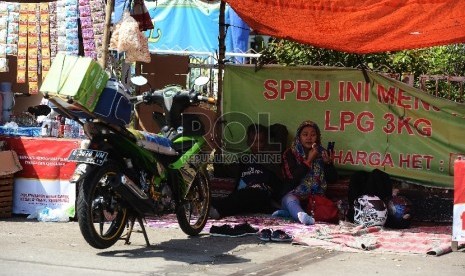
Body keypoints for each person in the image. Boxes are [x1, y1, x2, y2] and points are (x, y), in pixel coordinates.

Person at [209, 123, 284, 219]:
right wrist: (217, 151)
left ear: (266, 142)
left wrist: (265, 131)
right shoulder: (243, 161)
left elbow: (281, 130)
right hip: (242, 199)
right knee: (232, 197)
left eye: (260, 141)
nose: (256, 145)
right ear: (248, 143)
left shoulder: (272, 157)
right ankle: (214, 209)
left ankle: (218, 211)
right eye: (253, 141)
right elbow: (220, 172)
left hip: (263, 197)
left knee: (248, 194)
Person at [279, 120, 337, 225]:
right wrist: (309, 161)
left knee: (328, 207)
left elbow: (332, 179)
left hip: (315, 198)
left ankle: (290, 214)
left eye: (313, 135)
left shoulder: (322, 153)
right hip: (295, 195)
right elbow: (292, 177)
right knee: (289, 199)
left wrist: (328, 163)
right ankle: (302, 216)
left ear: (317, 137)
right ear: (299, 137)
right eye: (305, 134)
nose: (309, 138)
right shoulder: (290, 153)